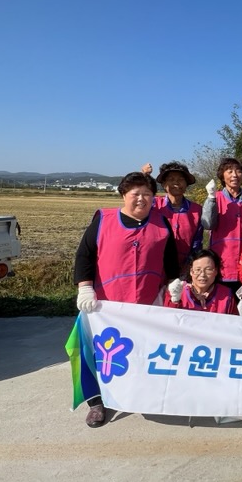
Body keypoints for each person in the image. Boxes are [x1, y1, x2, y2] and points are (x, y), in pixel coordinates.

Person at [74, 171, 181, 428]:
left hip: (146, 302)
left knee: (141, 351)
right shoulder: (104, 220)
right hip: (105, 306)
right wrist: (85, 287)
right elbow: (84, 256)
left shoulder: (161, 223)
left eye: (147, 194)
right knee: (97, 353)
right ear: (124, 195)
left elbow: (170, 258)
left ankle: (137, 394)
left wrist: (173, 282)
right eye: (136, 194)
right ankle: (96, 402)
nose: (142, 199)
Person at [202, 157, 242, 293]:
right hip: (222, 264)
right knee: (222, 302)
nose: (234, 175)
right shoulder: (215, 198)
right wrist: (211, 199)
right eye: (229, 171)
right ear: (222, 176)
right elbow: (207, 224)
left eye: (238, 171)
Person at [141, 162, 203, 278]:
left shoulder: (197, 210)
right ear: (164, 184)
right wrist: (145, 176)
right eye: (171, 179)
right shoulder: (154, 205)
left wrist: (189, 265)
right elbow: (140, 197)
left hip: (184, 269)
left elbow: (197, 243)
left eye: (181, 179)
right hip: (155, 267)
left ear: (186, 184)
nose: (176, 183)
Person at [168, 248, 238, 314]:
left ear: (216, 271)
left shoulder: (227, 295)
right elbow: (168, 319)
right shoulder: (178, 290)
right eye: (198, 270)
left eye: (208, 269)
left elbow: (234, 321)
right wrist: (175, 300)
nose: (202, 275)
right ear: (191, 271)